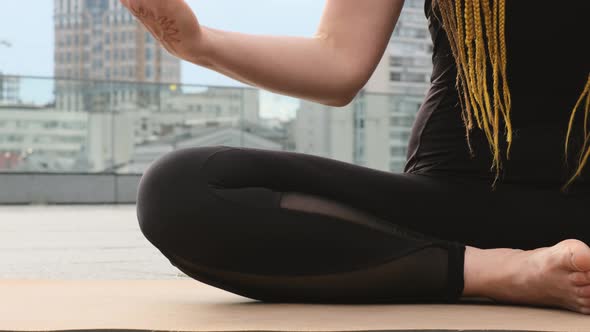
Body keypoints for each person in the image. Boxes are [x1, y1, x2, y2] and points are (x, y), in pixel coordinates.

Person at [120, 0, 590, 314]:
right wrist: (198, 45)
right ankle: (499, 271)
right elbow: (338, 62)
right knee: (181, 190)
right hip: (455, 208)